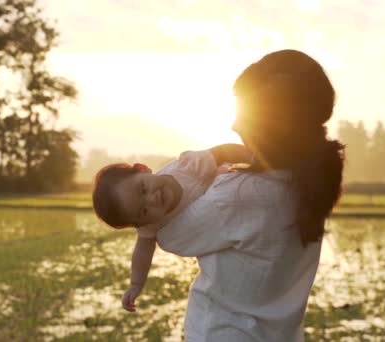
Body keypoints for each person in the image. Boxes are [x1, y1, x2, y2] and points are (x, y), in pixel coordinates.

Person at [155, 49, 345, 341]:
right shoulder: (309, 183)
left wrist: (205, 160)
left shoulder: (242, 193)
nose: (233, 124)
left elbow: (170, 235)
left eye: (244, 114)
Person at [91, 144, 251, 312]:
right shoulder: (151, 226)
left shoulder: (186, 166)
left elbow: (222, 152)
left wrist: (254, 157)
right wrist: (136, 284)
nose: (151, 199)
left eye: (143, 189)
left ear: (143, 169)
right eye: (144, 211)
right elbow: (143, 249)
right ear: (141, 224)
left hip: (233, 189)